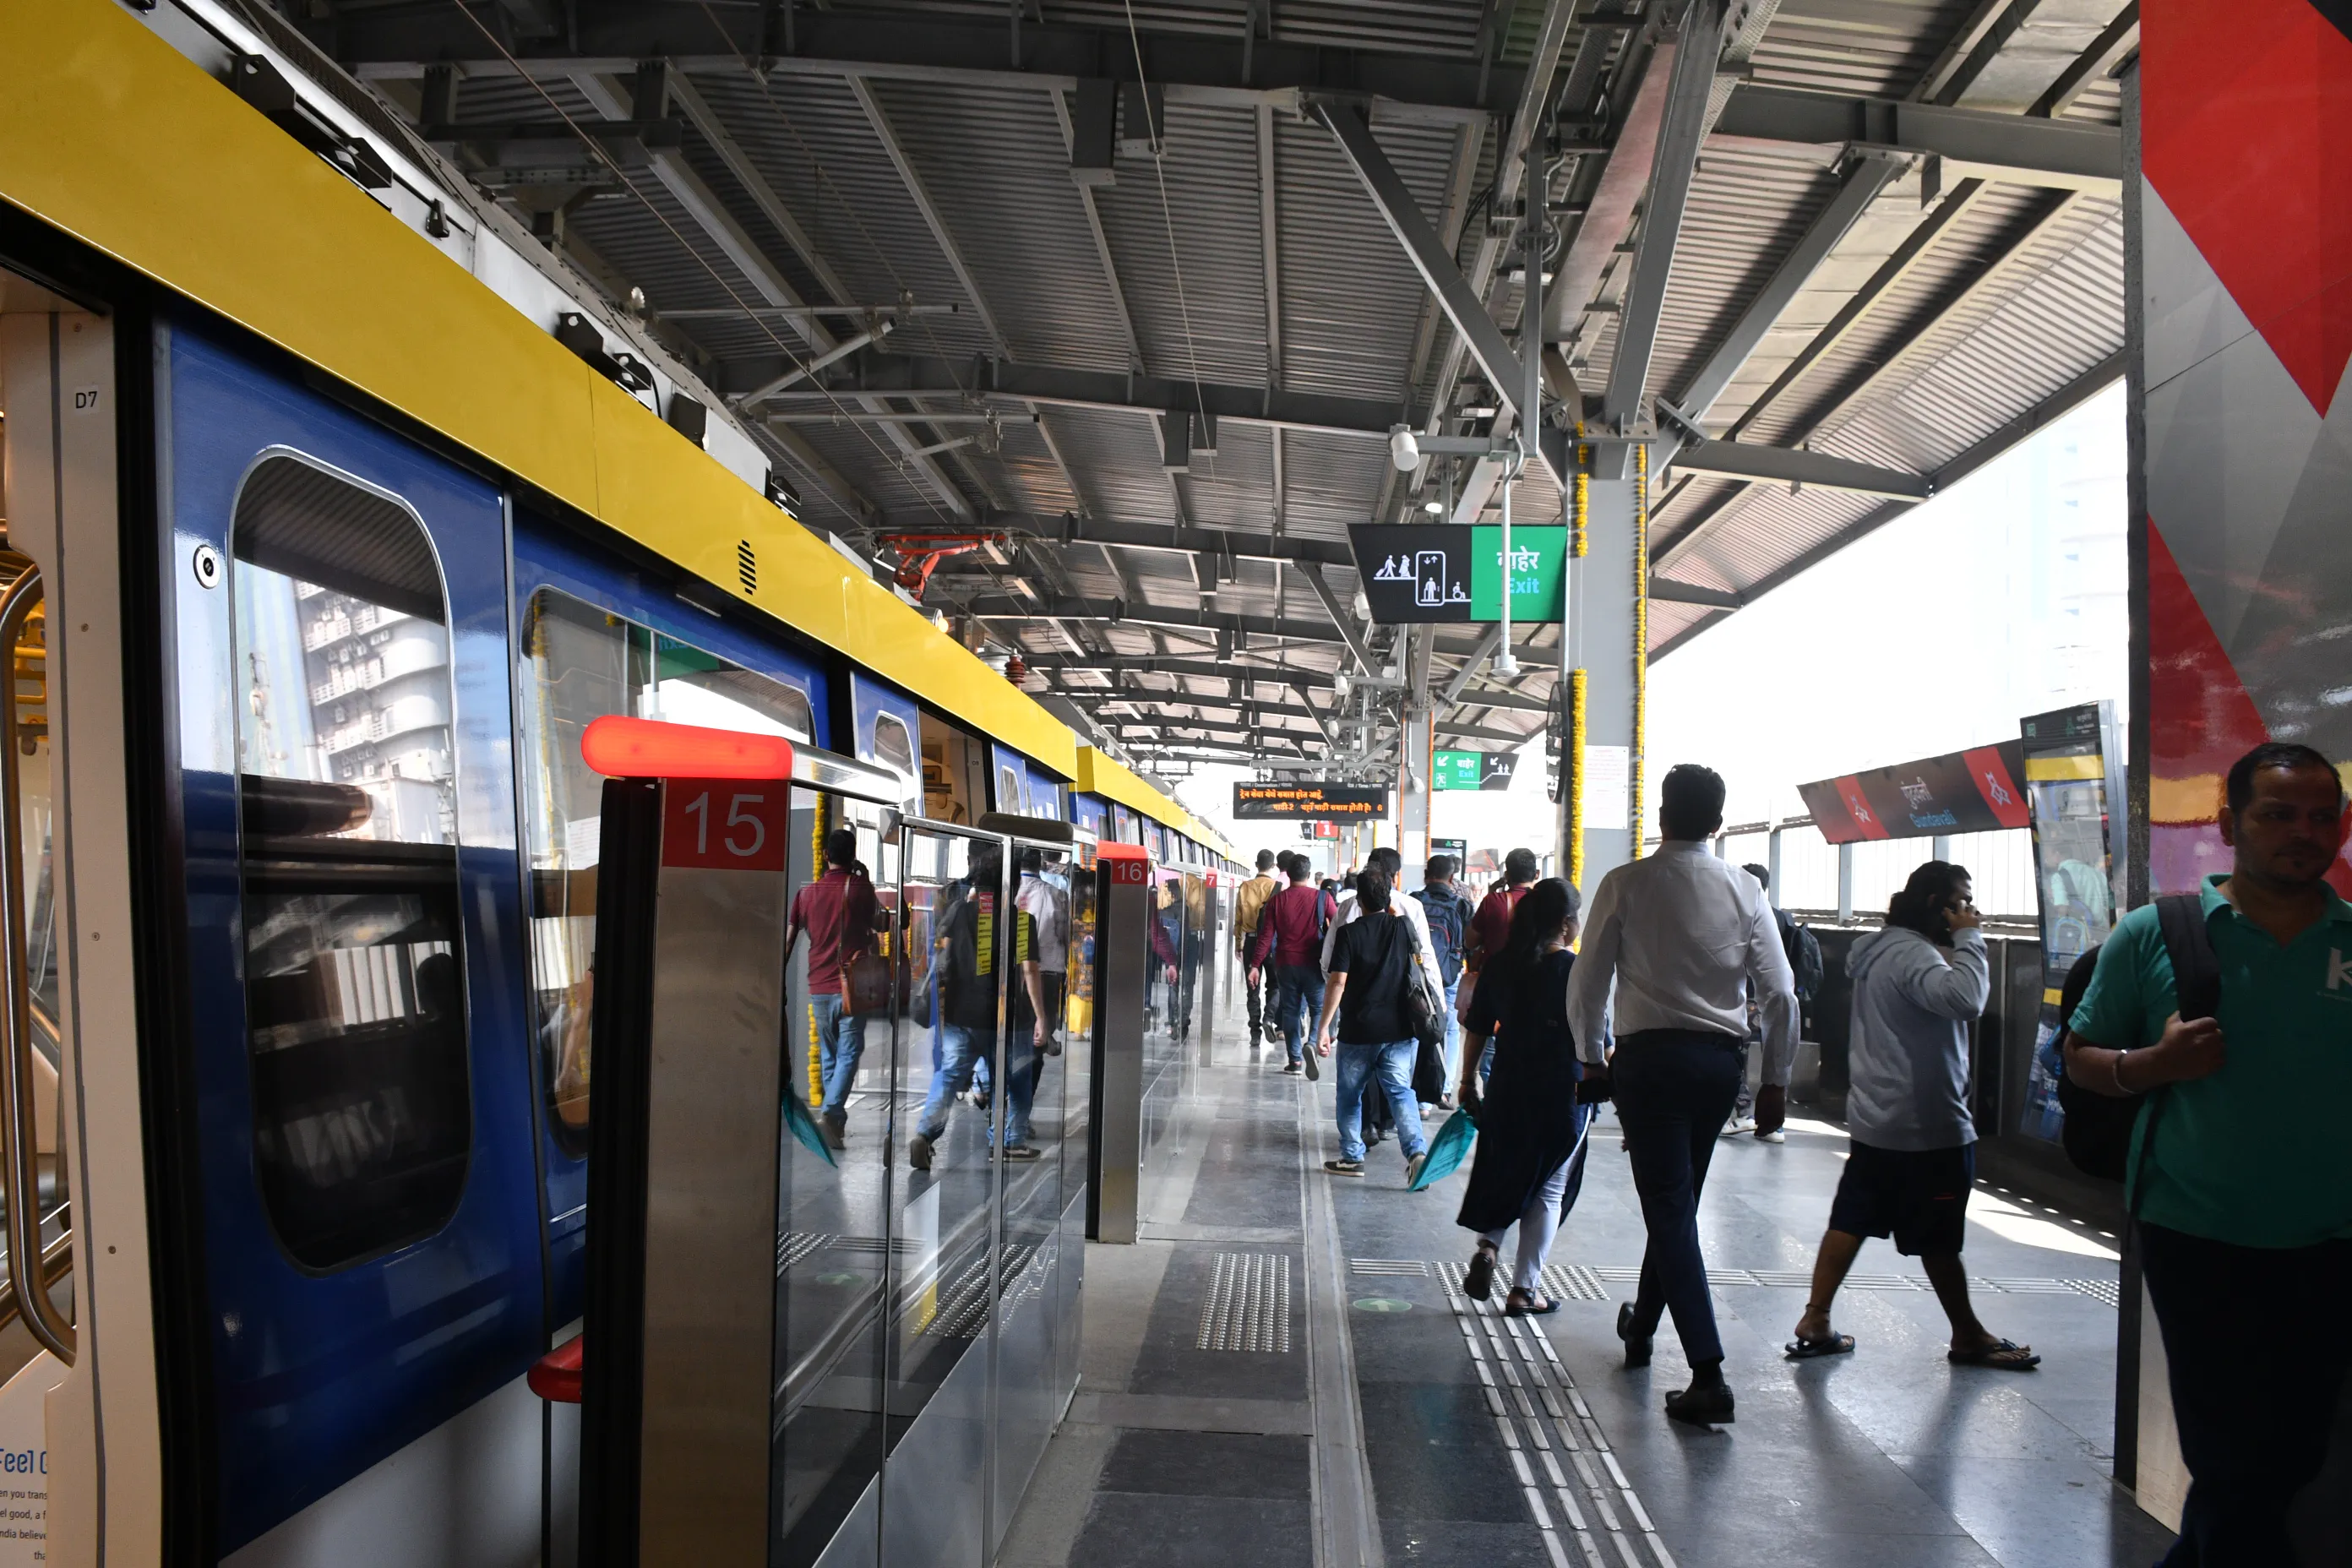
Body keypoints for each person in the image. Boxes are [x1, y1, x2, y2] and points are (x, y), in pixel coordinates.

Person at [2065, 742, 2352, 1565]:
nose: (2303, 831)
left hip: (2331, 1239)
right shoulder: (2159, 932)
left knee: (2290, 1455)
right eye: (2277, 813)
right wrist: (2153, 1064)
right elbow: (2081, 1056)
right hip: (2198, 1232)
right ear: (2230, 823)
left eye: (2320, 815)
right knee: (2231, 1457)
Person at [1566, 763, 1799, 1425]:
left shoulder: (1627, 883)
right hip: (1718, 1068)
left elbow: (1587, 982)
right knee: (1677, 1203)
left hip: (1650, 1067)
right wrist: (1774, 1079)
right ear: (1719, 823)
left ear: (1662, 815)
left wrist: (1588, 1058)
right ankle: (1640, 1327)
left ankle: (1708, 1373)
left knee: (1669, 1208)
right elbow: (1780, 993)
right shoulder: (1746, 889)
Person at [1787, 861, 2036, 1369]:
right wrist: (1971, 940)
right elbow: (1966, 1000)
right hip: (1926, 1125)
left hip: (1877, 1119)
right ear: (1935, 906)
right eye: (1962, 903)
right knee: (1938, 1235)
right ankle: (1968, 1335)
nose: (1969, 911)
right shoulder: (1913, 954)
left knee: (1852, 1218)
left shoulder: (1880, 951)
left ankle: (1816, 1317)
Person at [1456, 879, 1592, 1316]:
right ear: (1568, 925)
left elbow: (1477, 1027)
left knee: (1505, 1170)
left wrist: (1466, 1080)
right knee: (1549, 1189)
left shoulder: (1501, 965)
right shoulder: (1577, 971)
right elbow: (1599, 1040)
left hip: (1508, 1084)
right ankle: (1524, 1290)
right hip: (1563, 1091)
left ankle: (1489, 1246)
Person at [910, 847, 1048, 1168]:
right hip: (1008, 1019)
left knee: (949, 1076)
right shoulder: (1021, 921)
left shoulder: (959, 912)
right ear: (1012, 886)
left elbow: (941, 956)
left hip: (963, 1015)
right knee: (1016, 1079)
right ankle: (1009, 1141)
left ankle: (924, 1134)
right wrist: (1041, 1016)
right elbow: (1029, 971)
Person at [1311, 866, 1432, 1183]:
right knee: (1401, 1094)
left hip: (1358, 1031)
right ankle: (1417, 1154)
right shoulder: (1404, 927)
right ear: (1389, 896)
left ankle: (1352, 1157)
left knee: (1350, 1096)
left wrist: (1324, 1027)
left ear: (1358, 899)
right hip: (1400, 1030)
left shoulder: (1349, 934)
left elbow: (1337, 983)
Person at [786, 826, 883, 1151]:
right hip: (852, 986)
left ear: (825, 856)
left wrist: (778, 977)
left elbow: (789, 938)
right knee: (849, 1053)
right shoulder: (860, 889)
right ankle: (831, 1114)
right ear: (853, 856)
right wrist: (865, 877)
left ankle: (835, 1126)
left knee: (830, 1054)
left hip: (819, 986)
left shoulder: (806, 894)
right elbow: (879, 921)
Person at [1250, 854, 1337, 1075]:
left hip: (1286, 963)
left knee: (1290, 1010)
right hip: (1314, 963)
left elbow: (1266, 937)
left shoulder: (1277, 900)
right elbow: (1339, 926)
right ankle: (1312, 1043)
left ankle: (1295, 1061)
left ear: (1288, 874)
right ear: (1308, 875)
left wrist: (1255, 965)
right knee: (1318, 1008)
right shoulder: (1323, 898)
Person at [1413, 854, 1477, 1093]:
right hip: (1448, 976)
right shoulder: (1462, 906)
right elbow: (1471, 946)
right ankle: (1443, 1087)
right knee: (1449, 1029)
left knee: (1415, 1026)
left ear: (1426, 874)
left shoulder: (1414, 901)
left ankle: (1417, 1088)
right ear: (1452, 877)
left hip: (1416, 977)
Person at [1236, 850, 1281, 1047]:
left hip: (1251, 942)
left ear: (1256, 865)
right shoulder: (1277, 887)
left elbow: (1238, 919)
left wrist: (1239, 944)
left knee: (1252, 989)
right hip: (1271, 943)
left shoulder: (1245, 887)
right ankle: (1268, 1017)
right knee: (1275, 984)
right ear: (1273, 866)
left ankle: (1255, 1032)